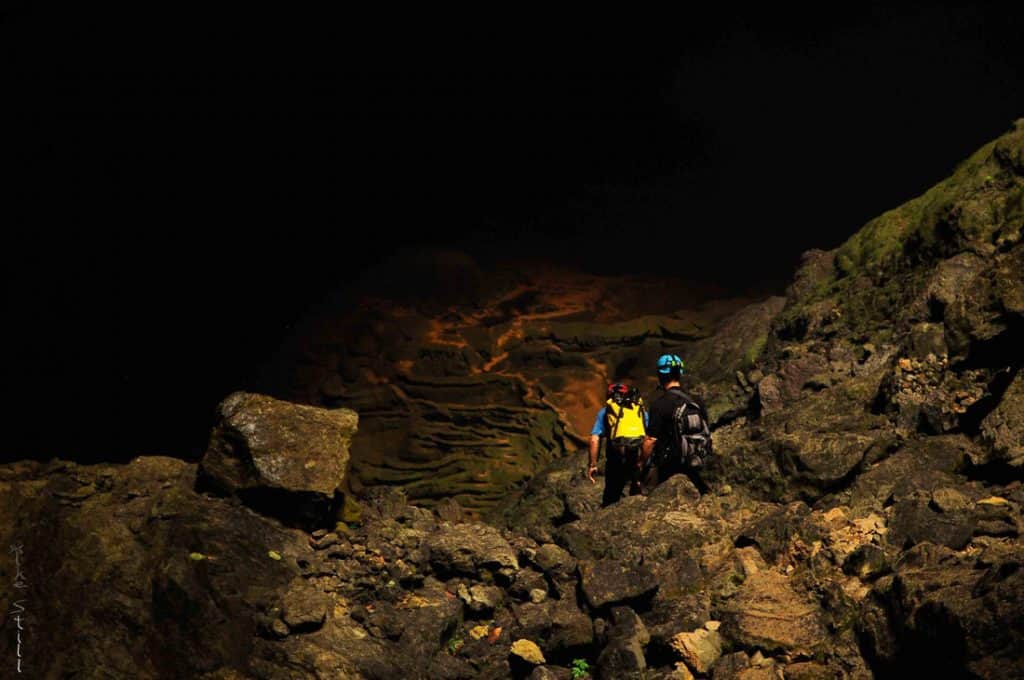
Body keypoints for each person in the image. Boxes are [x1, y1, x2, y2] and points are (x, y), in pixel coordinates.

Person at [641, 354, 711, 495]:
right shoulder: (696, 401)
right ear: (680, 374)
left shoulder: (659, 404)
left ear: (660, 375)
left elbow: (650, 441)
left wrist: (641, 464)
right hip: (695, 460)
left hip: (670, 466)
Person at [587, 383, 650, 507]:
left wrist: (593, 464)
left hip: (616, 460)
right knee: (640, 501)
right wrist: (643, 462)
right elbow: (650, 438)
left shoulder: (605, 412)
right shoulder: (639, 411)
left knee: (611, 497)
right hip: (638, 460)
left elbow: (594, 439)